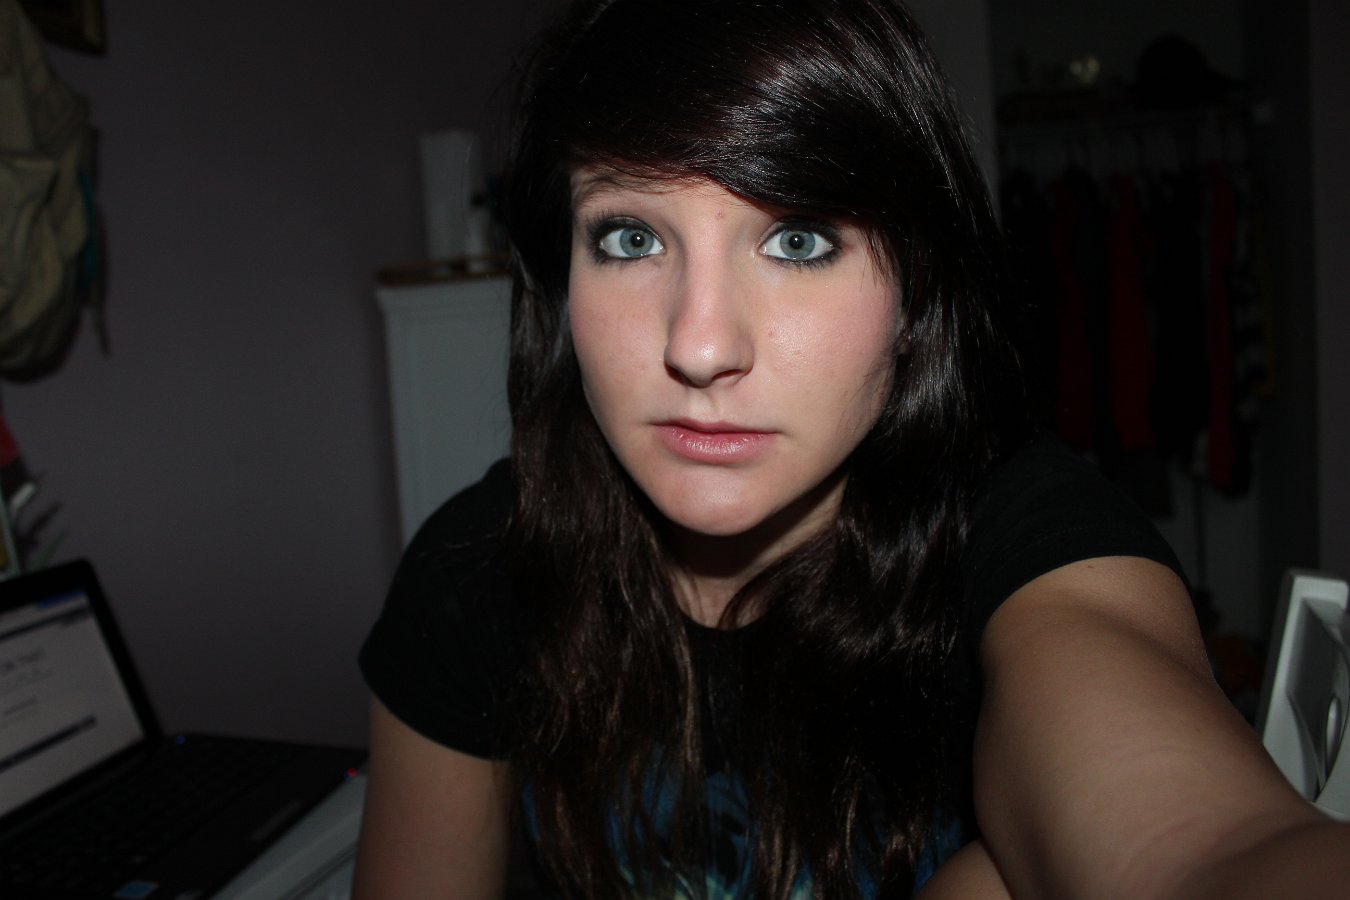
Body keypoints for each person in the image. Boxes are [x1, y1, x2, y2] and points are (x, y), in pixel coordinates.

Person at [352, 0, 1350, 897]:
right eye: (630, 239)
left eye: (798, 240)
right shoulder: (475, 571)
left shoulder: (1027, 543)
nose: (700, 344)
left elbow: (1201, 850)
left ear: (916, 294)